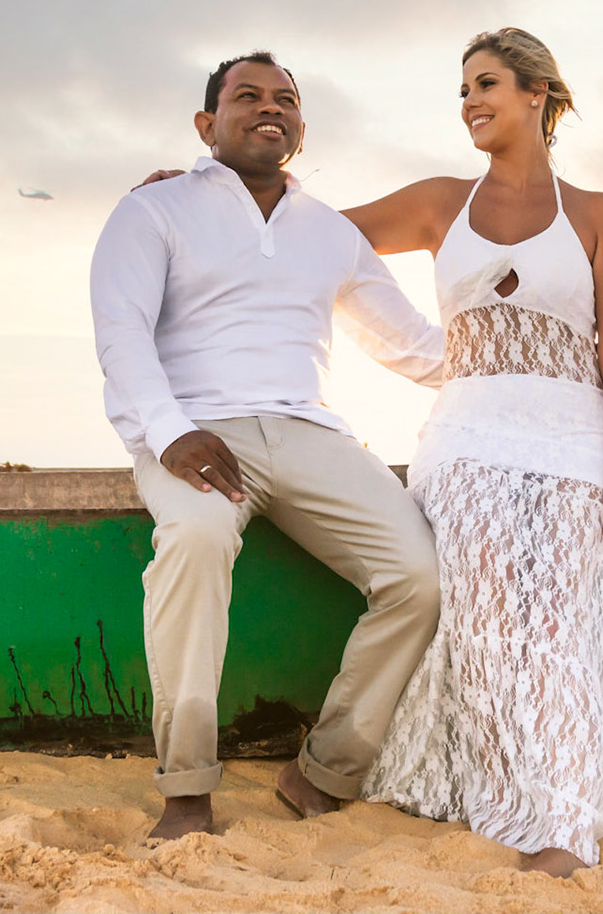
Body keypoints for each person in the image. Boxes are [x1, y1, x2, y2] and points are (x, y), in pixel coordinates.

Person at [133, 28, 603, 874]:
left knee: (558, 628)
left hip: (572, 440)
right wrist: (201, 192)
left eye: (487, 84)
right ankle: (490, 796)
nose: (471, 102)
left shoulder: (597, 214)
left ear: (538, 94)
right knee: (475, 624)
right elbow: (298, 227)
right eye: (463, 90)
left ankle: (559, 819)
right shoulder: (442, 202)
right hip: (467, 437)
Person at [90, 52, 447, 841]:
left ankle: (325, 767)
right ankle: (186, 789)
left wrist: (528, 359)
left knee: (419, 577)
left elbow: (415, 347)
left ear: (301, 126)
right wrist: (173, 432)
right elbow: (120, 333)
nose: (267, 108)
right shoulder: (152, 211)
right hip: (197, 434)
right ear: (206, 123)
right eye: (245, 96)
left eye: (284, 99)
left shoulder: (330, 231)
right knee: (194, 537)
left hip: (309, 431)